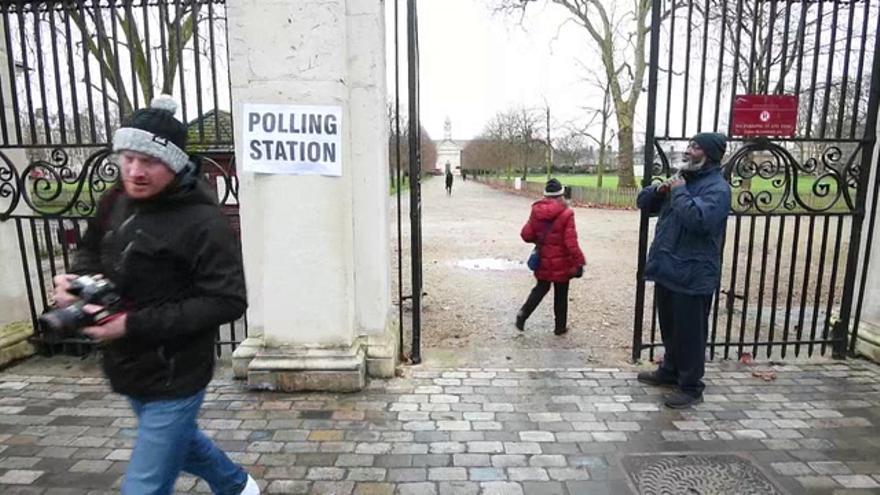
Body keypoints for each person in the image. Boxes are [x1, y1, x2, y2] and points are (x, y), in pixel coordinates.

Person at [51, 95, 259, 495]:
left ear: (176, 164)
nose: (135, 170)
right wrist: (75, 281)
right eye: (128, 157)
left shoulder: (203, 221)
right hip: (129, 365)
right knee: (181, 443)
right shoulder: (117, 199)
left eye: (150, 161)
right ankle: (237, 486)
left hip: (175, 371)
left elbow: (228, 299)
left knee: (144, 484)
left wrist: (131, 323)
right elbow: (91, 247)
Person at [636, 132, 731, 409]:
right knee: (671, 327)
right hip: (668, 268)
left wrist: (678, 192)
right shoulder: (683, 179)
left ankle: (691, 386)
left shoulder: (717, 189)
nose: (688, 150)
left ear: (710, 155)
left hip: (694, 273)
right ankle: (670, 370)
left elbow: (699, 220)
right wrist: (659, 190)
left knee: (690, 333)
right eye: (689, 145)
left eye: (696, 147)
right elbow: (643, 203)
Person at [516, 178, 585, 335]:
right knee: (561, 294)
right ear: (561, 194)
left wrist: (540, 239)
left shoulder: (536, 211)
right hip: (563, 261)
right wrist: (579, 261)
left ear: (546, 195)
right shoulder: (567, 213)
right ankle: (560, 327)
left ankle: (523, 314)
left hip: (543, 259)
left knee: (541, 288)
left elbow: (526, 234)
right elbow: (571, 242)